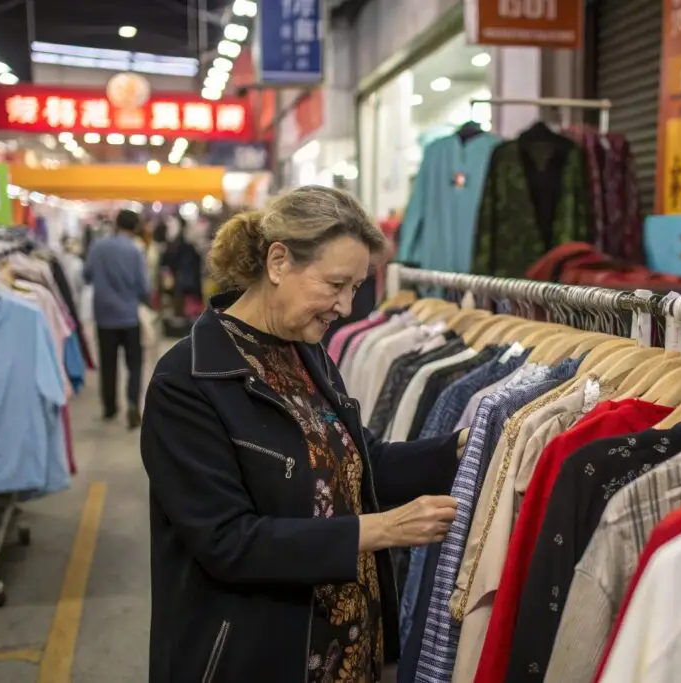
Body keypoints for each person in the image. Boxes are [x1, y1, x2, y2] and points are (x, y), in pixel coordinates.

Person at [140, 185, 463, 683]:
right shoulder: (187, 381)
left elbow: (358, 461)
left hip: (345, 650)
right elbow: (228, 541)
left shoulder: (303, 350)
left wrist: (462, 448)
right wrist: (382, 530)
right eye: (336, 284)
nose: (347, 306)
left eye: (355, 287)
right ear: (278, 261)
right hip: (257, 656)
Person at [84, 208, 150, 429]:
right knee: (134, 364)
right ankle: (132, 403)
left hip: (104, 316)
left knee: (108, 363)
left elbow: (87, 274)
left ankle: (110, 407)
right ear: (134, 227)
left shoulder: (98, 246)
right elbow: (143, 286)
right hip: (129, 316)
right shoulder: (135, 250)